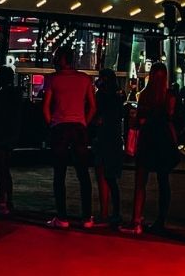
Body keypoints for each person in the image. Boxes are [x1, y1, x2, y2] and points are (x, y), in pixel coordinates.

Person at [42, 46, 96, 229]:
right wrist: (83, 122)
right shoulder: (84, 79)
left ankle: (62, 217)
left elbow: (46, 107)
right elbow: (92, 107)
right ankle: (87, 216)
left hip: (60, 127)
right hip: (79, 127)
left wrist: (52, 124)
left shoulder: (53, 79)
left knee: (59, 174)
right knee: (83, 174)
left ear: (62, 59)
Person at [125, 63, 179, 235]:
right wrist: (175, 143)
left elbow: (138, 120)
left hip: (148, 139)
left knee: (141, 180)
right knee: (163, 182)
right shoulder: (168, 96)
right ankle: (160, 220)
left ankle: (136, 219)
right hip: (162, 140)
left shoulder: (145, 95)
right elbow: (171, 121)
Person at [91, 68, 124, 228]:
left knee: (103, 175)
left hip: (104, 138)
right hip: (114, 139)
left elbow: (97, 116)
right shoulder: (117, 97)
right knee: (111, 178)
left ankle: (106, 212)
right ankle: (114, 213)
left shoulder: (102, 96)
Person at [0, 66, 22, 215]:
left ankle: (2, 200)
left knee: (1, 169)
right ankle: (8, 200)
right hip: (11, 135)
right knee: (5, 169)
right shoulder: (16, 95)